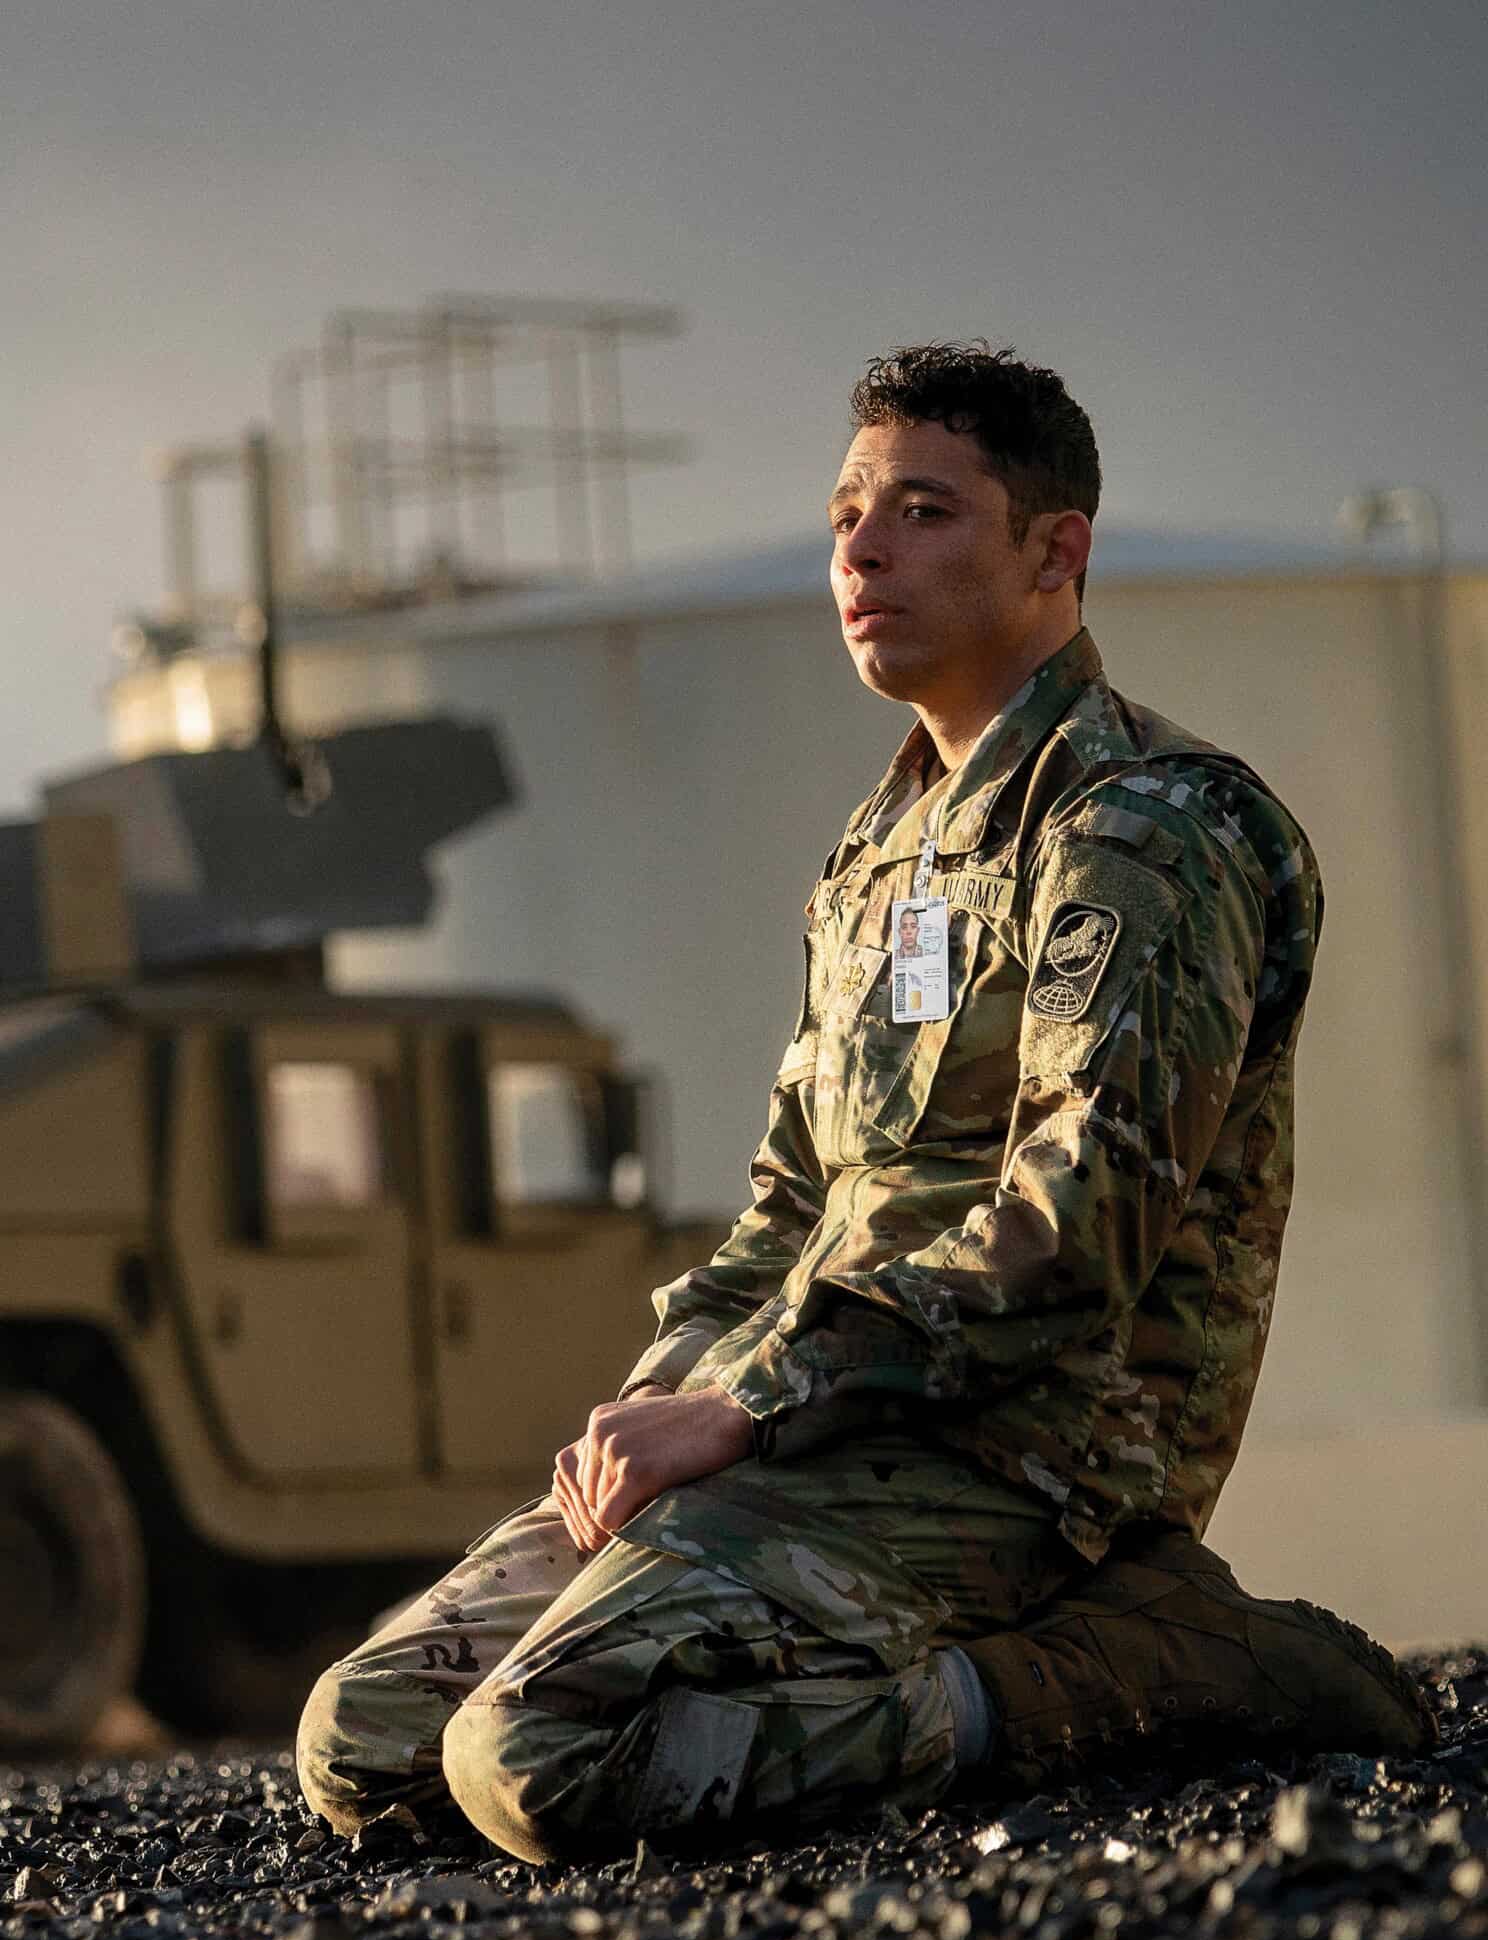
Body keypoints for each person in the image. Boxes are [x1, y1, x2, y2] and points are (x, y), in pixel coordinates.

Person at [298, 345, 1435, 1862]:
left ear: (1056, 551)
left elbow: (1075, 1231)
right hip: (817, 1426)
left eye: (923, 510)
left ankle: (1125, 1667)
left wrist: (748, 1405)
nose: (862, 547)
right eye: (848, 512)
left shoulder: (1144, 829)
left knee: (538, 1757)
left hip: (1033, 1457)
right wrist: (668, 1399)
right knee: (366, 1745)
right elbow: (792, 1202)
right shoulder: (882, 850)